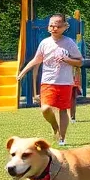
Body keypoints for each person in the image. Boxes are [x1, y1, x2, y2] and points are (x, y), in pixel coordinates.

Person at [16, 13, 83, 147]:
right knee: (45, 108)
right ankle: (54, 126)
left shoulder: (69, 43)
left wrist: (67, 59)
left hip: (64, 82)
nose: (54, 28)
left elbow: (80, 62)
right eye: (51, 25)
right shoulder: (44, 43)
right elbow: (36, 60)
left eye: (57, 26)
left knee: (63, 109)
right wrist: (22, 73)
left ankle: (62, 138)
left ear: (64, 27)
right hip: (47, 81)